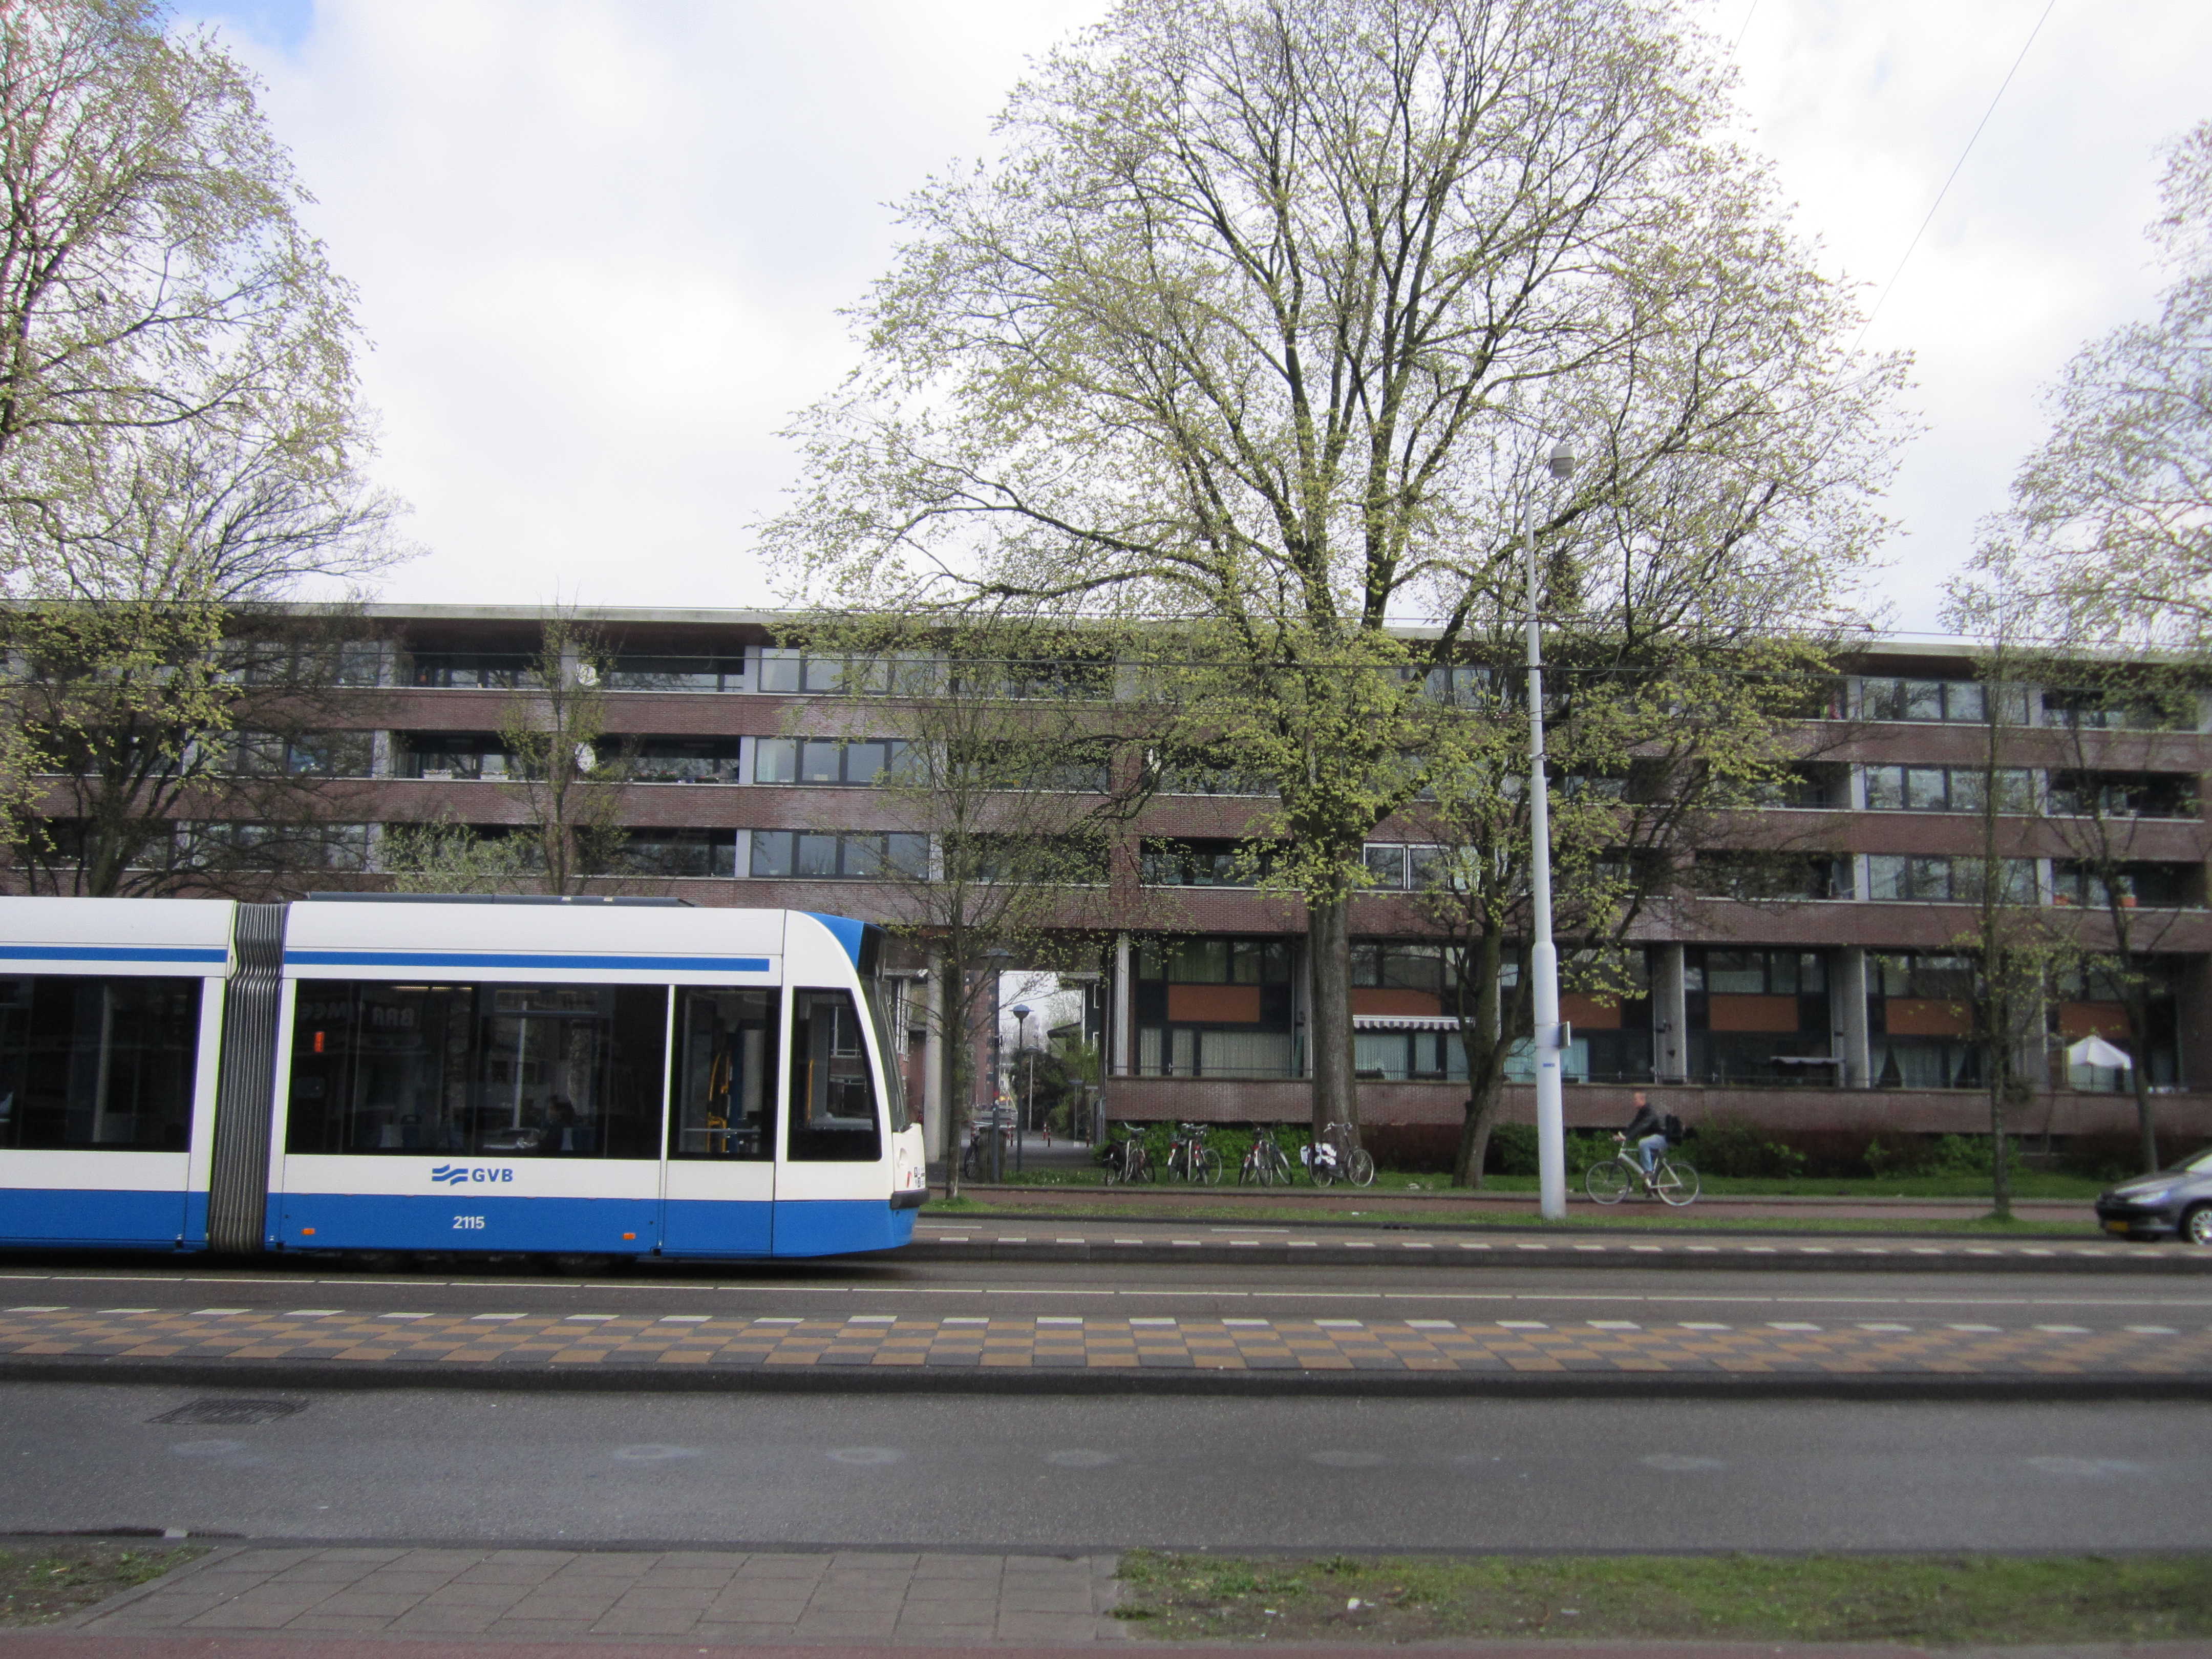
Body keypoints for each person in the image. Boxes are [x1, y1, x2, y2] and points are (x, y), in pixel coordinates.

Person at [1618, 1091, 1666, 1182]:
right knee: (1643, 1159)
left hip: (1664, 1136)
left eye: (1636, 1099)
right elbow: (1634, 1125)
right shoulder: (1643, 1111)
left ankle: (1649, 1172)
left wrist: (1629, 1138)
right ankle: (1654, 1187)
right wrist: (1623, 1135)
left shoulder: (1650, 1111)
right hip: (1658, 1136)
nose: (1634, 1102)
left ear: (1642, 1100)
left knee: (1643, 1144)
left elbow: (1642, 1126)